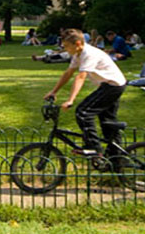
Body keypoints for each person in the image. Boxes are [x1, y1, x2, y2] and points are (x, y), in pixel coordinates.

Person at [43, 29, 126, 158]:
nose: (65, 49)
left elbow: (81, 77)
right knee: (107, 123)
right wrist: (53, 91)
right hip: (108, 85)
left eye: (66, 46)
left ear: (77, 43)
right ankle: (117, 159)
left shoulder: (88, 54)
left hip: (113, 86)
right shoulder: (78, 54)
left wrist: (71, 100)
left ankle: (93, 147)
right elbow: (68, 73)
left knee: (83, 112)